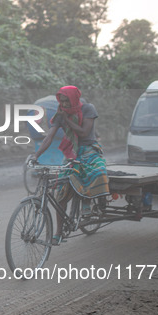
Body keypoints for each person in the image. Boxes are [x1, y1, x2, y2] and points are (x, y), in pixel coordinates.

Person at [30, 85, 109, 245]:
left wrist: (65, 119)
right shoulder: (61, 113)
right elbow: (49, 137)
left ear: (74, 98)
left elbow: (83, 132)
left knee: (96, 172)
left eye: (67, 101)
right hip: (72, 151)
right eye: (62, 101)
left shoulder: (88, 109)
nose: (64, 104)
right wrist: (36, 155)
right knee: (61, 192)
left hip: (88, 149)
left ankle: (88, 202)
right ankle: (59, 232)